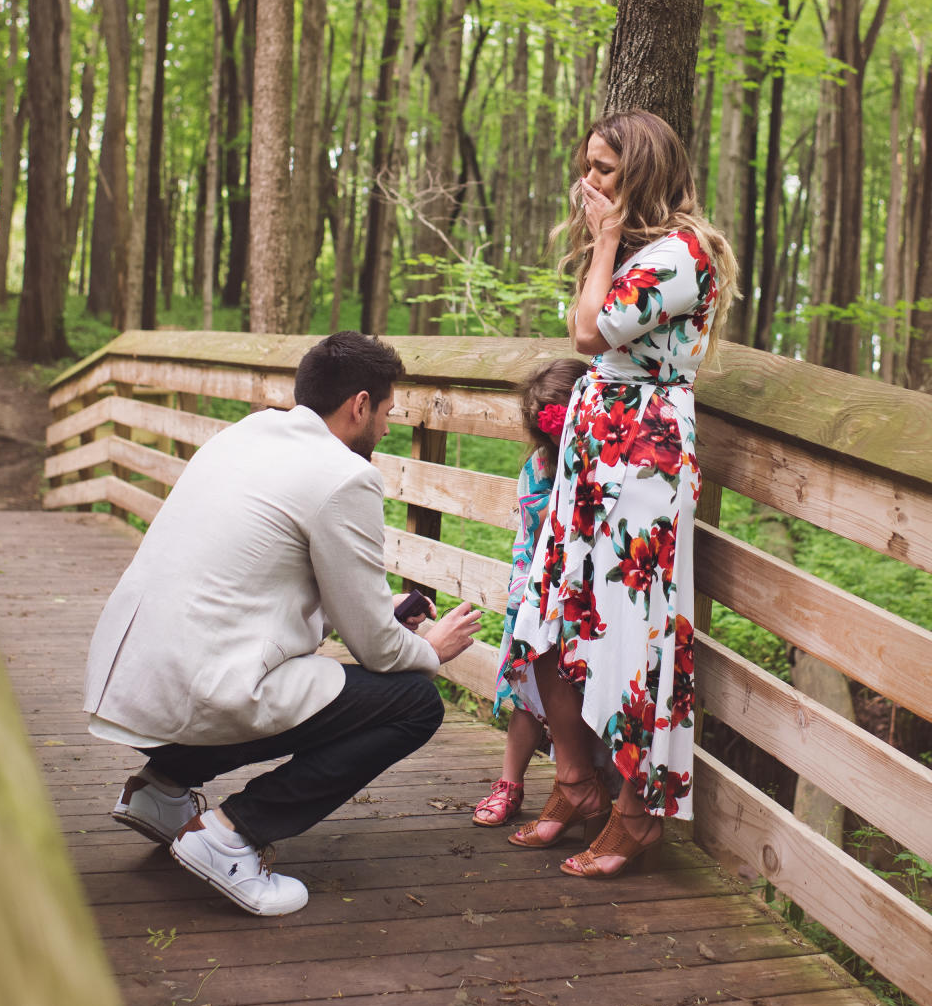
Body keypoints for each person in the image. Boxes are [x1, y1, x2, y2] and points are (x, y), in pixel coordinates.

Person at [84, 331, 482, 916]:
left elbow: (266, 584)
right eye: (388, 414)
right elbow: (378, 650)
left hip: (135, 673)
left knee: (326, 682)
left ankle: (163, 789)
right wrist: (432, 650)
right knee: (414, 702)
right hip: (206, 684)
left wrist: (382, 614)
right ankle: (232, 835)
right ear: (360, 405)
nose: (388, 430)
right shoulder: (344, 476)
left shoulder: (245, 434)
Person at [502, 110, 736, 877]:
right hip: (594, 458)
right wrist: (606, 243)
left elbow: (590, 332)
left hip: (643, 466)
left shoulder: (682, 254)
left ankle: (636, 815)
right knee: (550, 621)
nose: (589, 183)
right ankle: (575, 782)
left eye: (604, 169)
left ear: (642, 170)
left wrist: (603, 240)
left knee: (629, 639)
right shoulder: (644, 250)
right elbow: (590, 326)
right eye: (588, 167)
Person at [472, 358, 585, 827]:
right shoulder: (538, 467)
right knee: (528, 690)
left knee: (573, 692)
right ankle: (510, 781)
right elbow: (532, 532)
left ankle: (576, 785)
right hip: (536, 587)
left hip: (580, 595)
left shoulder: (601, 463)